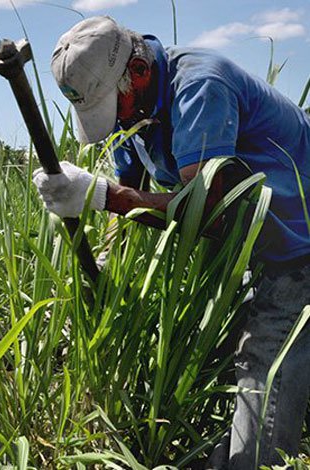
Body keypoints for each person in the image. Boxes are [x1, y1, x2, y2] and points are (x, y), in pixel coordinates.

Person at [32, 15, 310, 469]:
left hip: (297, 244)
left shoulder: (200, 87)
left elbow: (207, 212)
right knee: (217, 354)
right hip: (251, 248)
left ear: (138, 72)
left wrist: (102, 195)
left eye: (113, 105)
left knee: (265, 363)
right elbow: (130, 189)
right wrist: (102, 263)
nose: (117, 119)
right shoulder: (136, 109)